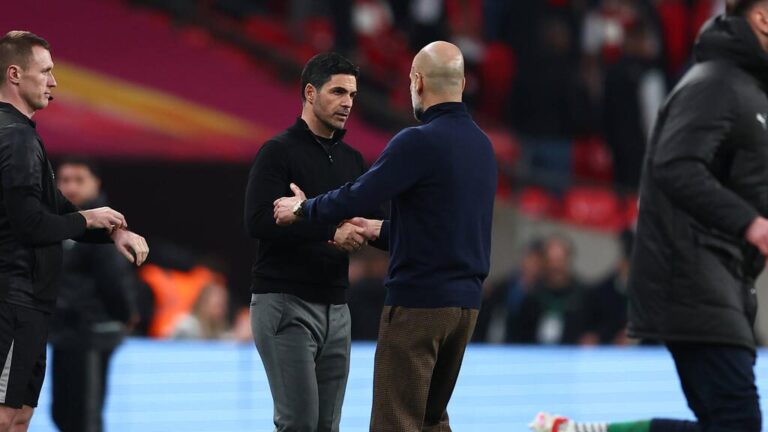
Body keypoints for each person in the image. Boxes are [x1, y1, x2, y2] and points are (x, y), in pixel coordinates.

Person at [532, 1, 768, 430]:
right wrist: (750, 223)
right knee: (738, 424)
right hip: (697, 281)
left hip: (721, 282)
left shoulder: (746, 90)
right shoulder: (717, 83)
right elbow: (673, 164)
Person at [274, 41, 497, 432]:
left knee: (396, 422)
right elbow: (446, 230)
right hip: (464, 309)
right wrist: (381, 231)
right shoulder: (482, 146)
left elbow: (358, 194)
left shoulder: (418, 141)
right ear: (461, 83)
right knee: (431, 420)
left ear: (417, 82)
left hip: (419, 304)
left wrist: (304, 209)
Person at [0, 31, 149, 432]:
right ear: (14, 74)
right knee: (4, 416)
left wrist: (109, 230)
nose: (54, 82)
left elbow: (56, 209)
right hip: (13, 300)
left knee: (19, 417)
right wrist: (88, 219)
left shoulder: (23, 135)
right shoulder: (14, 137)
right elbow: (31, 224)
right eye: (45, 72)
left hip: (29, 304)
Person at [245, 52, 380, 432]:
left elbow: (375, 221)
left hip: (337, 306)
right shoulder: (278, 152)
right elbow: (257, 221)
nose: (348, 103)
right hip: (285, 301)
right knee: (299, 423)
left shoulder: (353, 160)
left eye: (352, 94)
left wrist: (362, 229)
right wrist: (329, 229)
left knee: (326, 426)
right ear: (309, 92)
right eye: (338, 91)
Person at [49, 158, 138, 432]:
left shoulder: (104, 224)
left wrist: (125, 314)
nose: (70, 186)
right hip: (65, 332)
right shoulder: (60, 221)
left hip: (91, 331)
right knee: (64, 413)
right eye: (64, 180)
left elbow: (114, 279)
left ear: (96, 183)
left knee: (84, 416)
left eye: (79, 179)